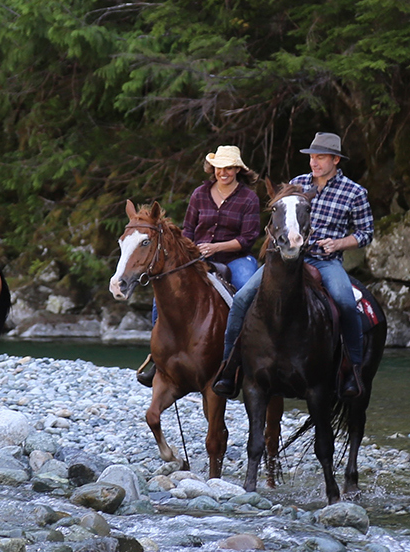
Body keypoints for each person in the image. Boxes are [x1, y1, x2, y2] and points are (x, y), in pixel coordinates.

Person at [212, 132, 374, 400]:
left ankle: (351, 371)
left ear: (335, 159)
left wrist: (338, 243)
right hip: (285, 261)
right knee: (241, 299)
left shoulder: (354, 192)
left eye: (320, 157)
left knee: (345, 302)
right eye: (312, 157)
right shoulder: (297, 184)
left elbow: (366, 233)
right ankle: (229, 367)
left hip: (325, 260)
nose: (314, 163)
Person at [136, 145, 264, 386]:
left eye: (228, 168)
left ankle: (248, 354)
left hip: (236, 258)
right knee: (163, 292)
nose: (223, 173)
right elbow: (188, 230)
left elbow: (248, 238)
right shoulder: (200, 193)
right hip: (197, 256)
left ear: (238, 169)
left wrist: (216, 247)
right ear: (212, 169)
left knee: (247, 290)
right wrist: (191, 251)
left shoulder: (249, 198)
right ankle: (157, 356)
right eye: (218, 168)